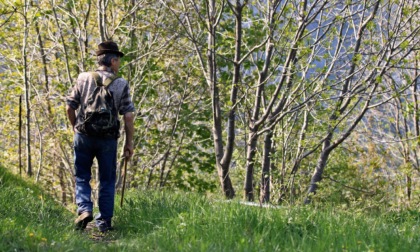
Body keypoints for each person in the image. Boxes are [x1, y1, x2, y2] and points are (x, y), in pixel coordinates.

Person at [66, 41, 135, 232]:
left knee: (82, 176)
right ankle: (104, 221)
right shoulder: (121, 84)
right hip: (108, 139)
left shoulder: (83, 78)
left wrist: (75, 128)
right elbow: (128, 115)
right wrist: (129, 144)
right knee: (106, 179)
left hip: (83, 135)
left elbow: (69, 107)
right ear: (113, 61)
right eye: (118, 60)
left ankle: (84, 209)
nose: (119, 64)